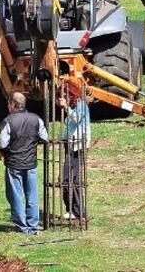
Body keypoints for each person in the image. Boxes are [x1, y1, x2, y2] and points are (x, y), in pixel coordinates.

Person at [0, 92, 49, 235]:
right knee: (32, 195)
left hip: (14, 163)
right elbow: (45, 138)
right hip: (31, 163)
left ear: (13, 104)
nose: (8, 106)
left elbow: (2, 142)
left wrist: (2, 150)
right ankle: (33, 226)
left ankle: (21, 226)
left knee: (15, 195)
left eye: (8, 103)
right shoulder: (36, 119)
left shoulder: (8, 121)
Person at [59, 82, 90, 222]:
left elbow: (77, 120)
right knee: (66, 179)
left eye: (64, 95)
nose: (62, 98)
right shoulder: (73, 107)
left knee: (72, 178)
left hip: (78, 146)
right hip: (70, 145)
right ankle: (71, 209)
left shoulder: (81, 105)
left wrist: (66, 107)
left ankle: (78, 210)